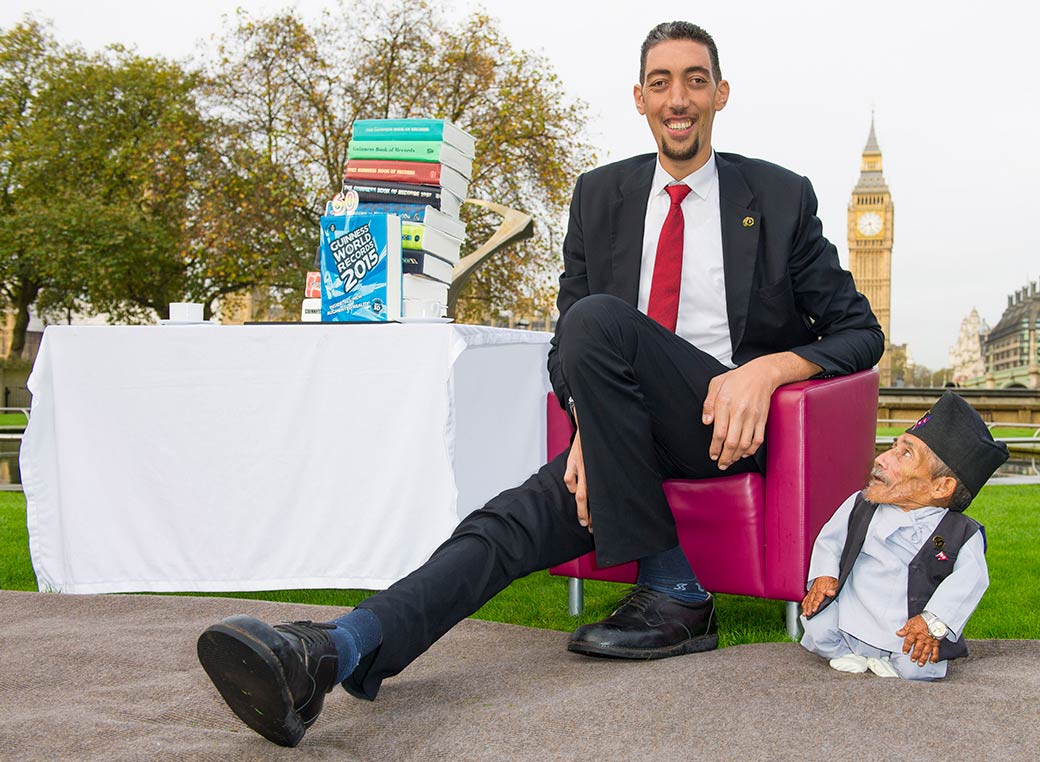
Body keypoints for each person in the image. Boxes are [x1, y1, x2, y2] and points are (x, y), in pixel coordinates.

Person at [196, 20, 884, 747]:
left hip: (724, 426)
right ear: (640, 99)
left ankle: (675, 591)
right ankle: (329, 654)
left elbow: (859, 331)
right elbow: (568, 352)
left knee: (598, 320)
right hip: (628, 435)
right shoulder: (601, 197)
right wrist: (591, 425)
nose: (677, 98)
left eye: (693, 80)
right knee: (502, 526)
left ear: (720, 94)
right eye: (660, 83)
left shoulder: (778, 197)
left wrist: (771, 369)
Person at [800, 392, 1009, 680]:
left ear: (941, 487)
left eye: (905, 453)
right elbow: (830, 540)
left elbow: (970, 581)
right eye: (892, 447)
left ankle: (892, 661)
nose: (882, 459)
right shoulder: (861, 504)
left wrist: (931, 622)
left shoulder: (962, 534)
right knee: (819, 629)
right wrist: (824, 576)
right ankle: (847, 652)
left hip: (905, 627)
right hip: (851, 613)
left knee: (919, 664)